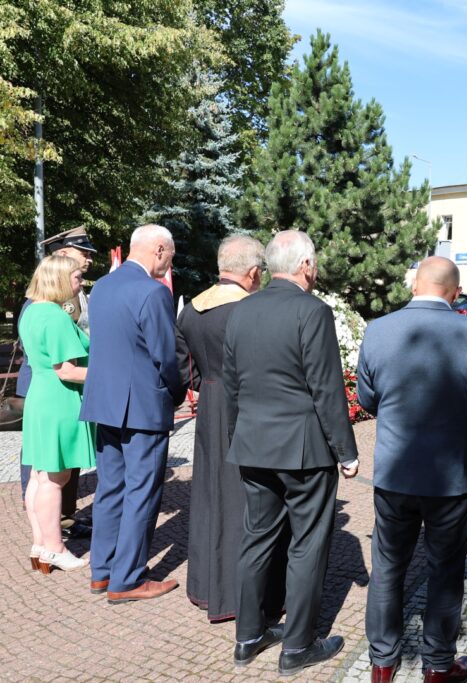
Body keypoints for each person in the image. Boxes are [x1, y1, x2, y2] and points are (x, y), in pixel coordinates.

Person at [357, 256, 467, 683]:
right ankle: (438, 666)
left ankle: (382, 664)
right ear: (455, 292)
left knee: (388, 567)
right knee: (445, 569)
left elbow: (368, 399)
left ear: (414, 286)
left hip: (395, 471)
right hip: (449, 475)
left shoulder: (378, 329)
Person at [223, 230, 359, 676]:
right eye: (314, 263)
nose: (315, 270)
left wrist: (237, 436)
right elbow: (326, 387)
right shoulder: (312, 311)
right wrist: (347, 450)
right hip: (304, 450)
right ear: (304, 266)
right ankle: (298, 646)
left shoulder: (241, 310)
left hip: (254, 444)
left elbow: (232, 385)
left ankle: (248, 636)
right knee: (307, 545)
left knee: (257, 538)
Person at [175, 235, 286, 623]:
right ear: (254, 272)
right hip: (250, 407)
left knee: (209, 494)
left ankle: (207, 588)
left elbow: (182, 369)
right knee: (250, 499)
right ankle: (245, 595)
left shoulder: (191, 309)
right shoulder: (255, 309)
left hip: (209, 403)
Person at [80, 224, 186, 603]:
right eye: (170, 255)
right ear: (159, 249)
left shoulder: (101, 287)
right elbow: (165, 355)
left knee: (111, 488)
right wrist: (177, 393)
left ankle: (102, 571)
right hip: (141, 406)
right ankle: (127, 579)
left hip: (104, 403)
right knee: (142, 490)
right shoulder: (152, 292)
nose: (169, 263)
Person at [17, 226, 97, 540]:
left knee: (62, 465)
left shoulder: (66, 294)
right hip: (53, 383)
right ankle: (50, 524)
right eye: (83, 253)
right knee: (45, 464)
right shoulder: (51, 303)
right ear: (63, 254)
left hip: (61, 382)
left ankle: (59, 518)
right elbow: (53, 349)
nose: (88, 259)